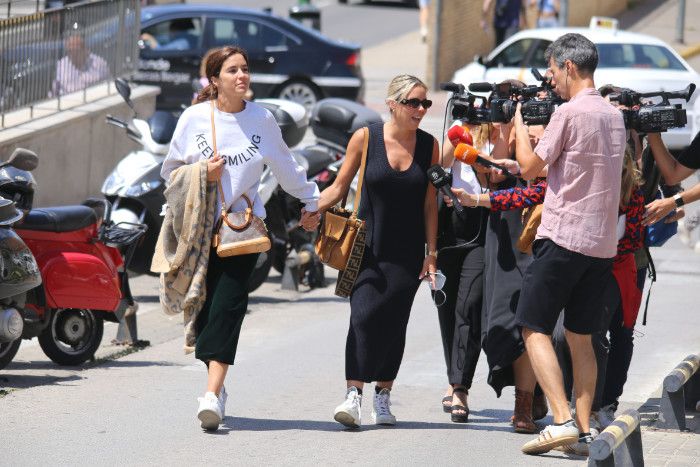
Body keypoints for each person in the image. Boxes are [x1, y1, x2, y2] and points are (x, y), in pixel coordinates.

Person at [159, 46, 320, 431]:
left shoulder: (262, 120)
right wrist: (202, 173)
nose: (241, 76)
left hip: (242, 230)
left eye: (245, 69)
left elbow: (286, 168)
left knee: (229, 308)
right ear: (215, 80)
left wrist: (312, 201)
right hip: (198, 233)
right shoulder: (194, 118)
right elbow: (170, 172)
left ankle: (211, 394)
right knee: (207, 311)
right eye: (232, 71)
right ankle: (218, 385)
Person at [511, 33, 626, 455]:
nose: (551, 79)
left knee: (532, 326)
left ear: (569, 67)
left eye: (553, 70)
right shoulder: (614, 116)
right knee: (581, 337)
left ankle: (560, 419)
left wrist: (521, 123)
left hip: (562, 238)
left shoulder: (569, 113)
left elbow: (527, 169)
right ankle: (583, 430)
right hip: (600, 246)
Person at [315, 74, 439, 429]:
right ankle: (353, 394)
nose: (420, 109)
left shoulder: (429, 146)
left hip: (408, 252)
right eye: (413, 102)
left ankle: (383, 395)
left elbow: (431, 204)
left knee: (395, 323)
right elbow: (338, 187)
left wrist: (432, 252)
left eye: (425, 103)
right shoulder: (366, 138)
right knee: (363, 316)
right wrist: (312, 208)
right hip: (366, 248)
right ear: (393, 104)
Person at [435, 122, 490, 423]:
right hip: (449, 227)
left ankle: (461, 386)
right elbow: (440, 167)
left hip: (482, 224)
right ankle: (453, 375)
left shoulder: (500, 131)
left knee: (470, 305)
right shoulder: (457, 133)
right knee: (447, 306)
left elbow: (496, 177)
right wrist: (455, 138)